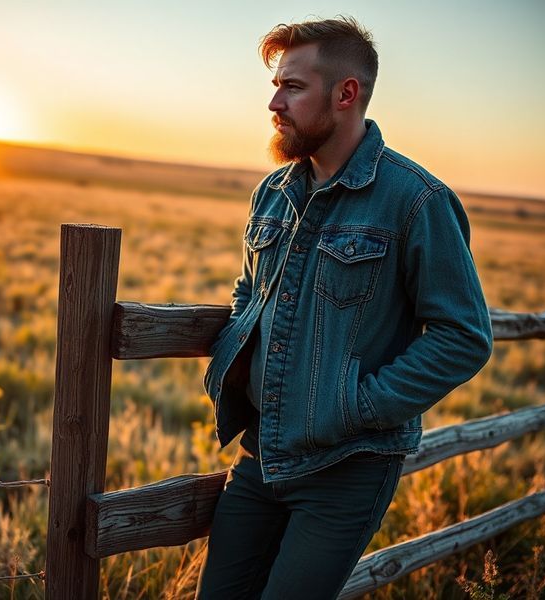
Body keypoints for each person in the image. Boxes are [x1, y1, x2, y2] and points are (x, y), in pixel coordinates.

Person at [196, 16, 493, 600]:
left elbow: (463, 334)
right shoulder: (274, 192)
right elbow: (249, 290)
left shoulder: (416, 200)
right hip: (261, 456)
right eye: (277, 85)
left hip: (347, 468)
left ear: (346, 93)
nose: (274, 102)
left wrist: (358, 404)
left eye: (293, 87)